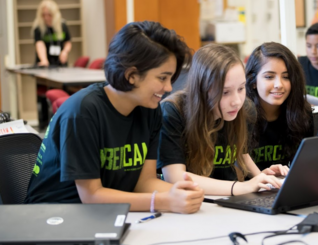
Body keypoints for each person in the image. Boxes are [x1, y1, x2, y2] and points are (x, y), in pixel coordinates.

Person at [24, 21, 204, 214]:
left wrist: (182, 193)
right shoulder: (82, 113)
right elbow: (91, 197)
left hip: (105, 213)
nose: (169, 88)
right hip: (54, 216)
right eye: (162, 78)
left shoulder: (150, 109)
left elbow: (144, 183)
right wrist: (162, 201)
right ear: (131, 75)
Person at [158, 44, 287, 196]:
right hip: (192, 204)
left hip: (228, 201)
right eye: (225, 92)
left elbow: (242, 154)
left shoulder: (245, 109)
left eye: (241, 88)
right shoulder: (172, 111)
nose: (237, 101)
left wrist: (262, 179)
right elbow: (175, 177)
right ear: (202, 89)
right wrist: (242, 187)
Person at [246, 42, 314, 171]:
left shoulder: (301, 113)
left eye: (286, 77)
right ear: (253, 81)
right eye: (269, 77)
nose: (279, 84)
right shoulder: (239, 116)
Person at [32, 0, 71, 66]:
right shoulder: (38, 28)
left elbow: (68, 42)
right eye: (44, 15)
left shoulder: (63, 26)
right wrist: (44, 60)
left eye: (49, 15)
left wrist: (65, 52)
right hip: (45, 64)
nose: (46, 18)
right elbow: (40, 45)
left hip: (60, 63)